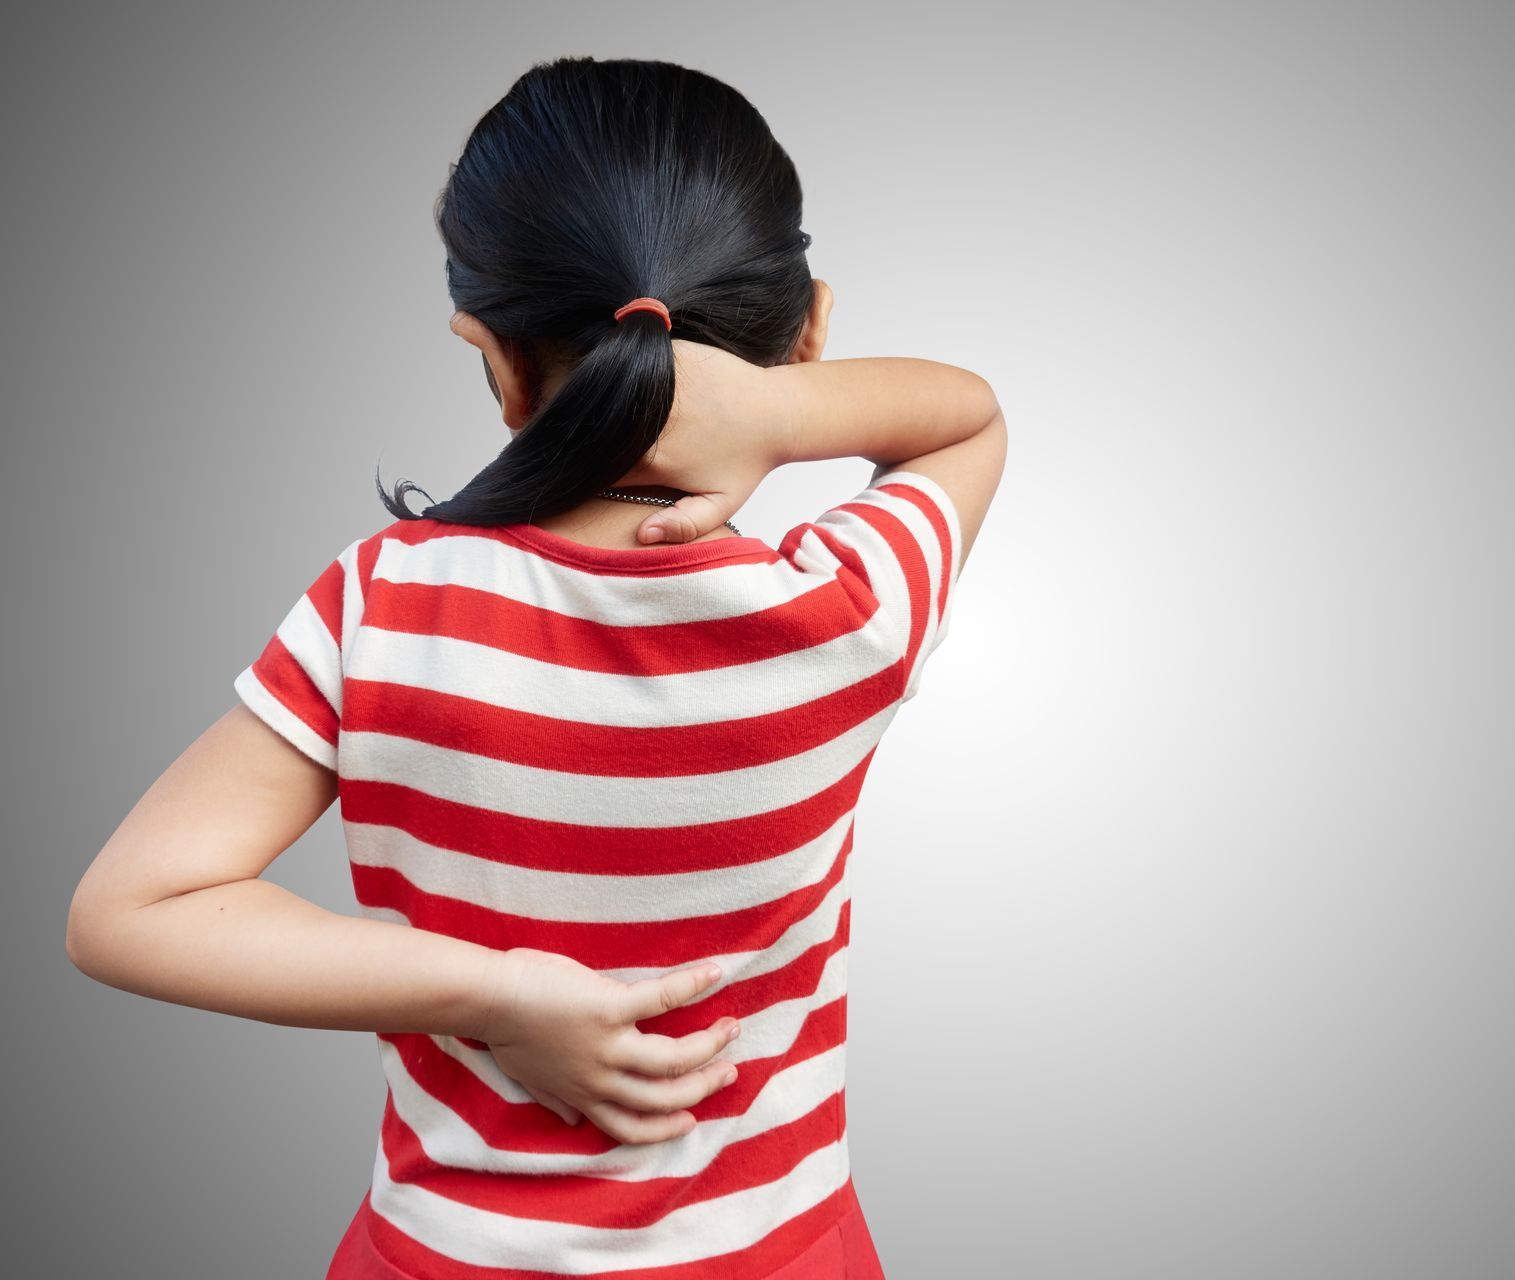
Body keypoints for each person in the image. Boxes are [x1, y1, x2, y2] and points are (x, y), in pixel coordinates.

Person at [64, 56, 1006, 1280]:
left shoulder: (383, 606)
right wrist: (782, 417)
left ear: (495, 355)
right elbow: (970, 417)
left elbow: (126, 914)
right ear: (811, 331)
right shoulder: (845, 611)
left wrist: (493, 991)